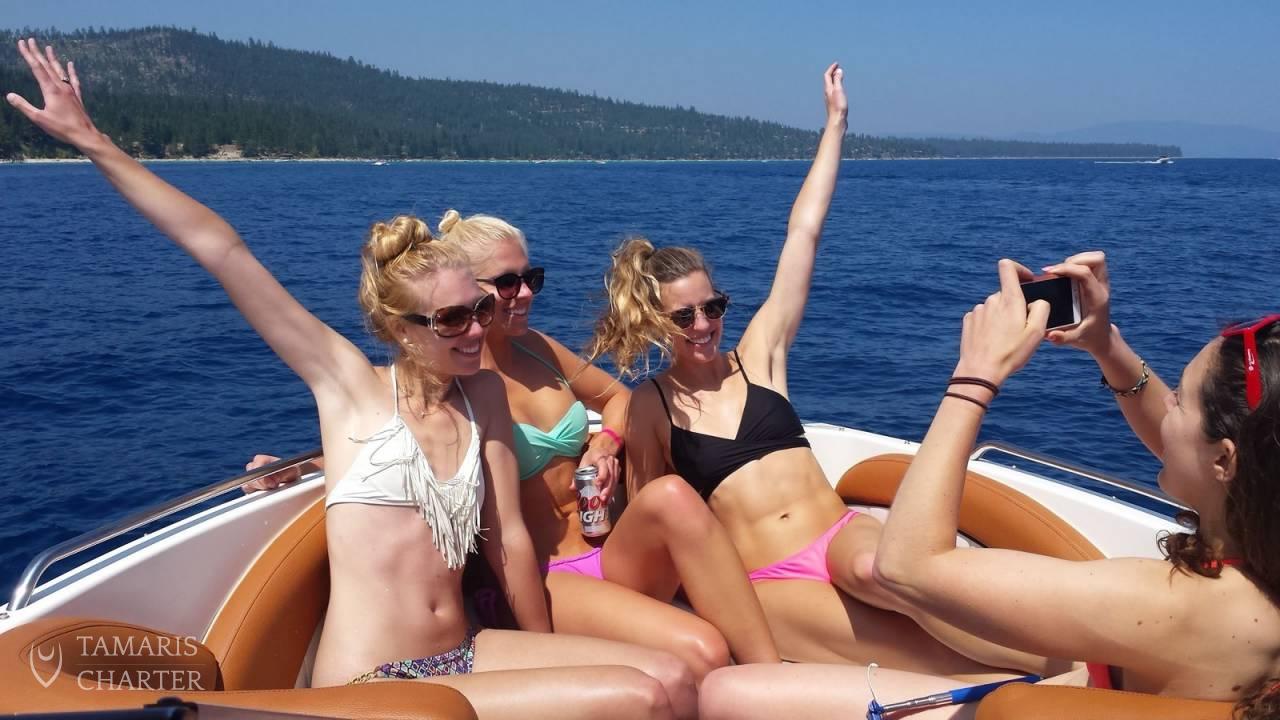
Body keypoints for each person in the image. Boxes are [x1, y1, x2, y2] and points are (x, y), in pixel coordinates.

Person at [6, 39, 696, 720]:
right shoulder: (348, 386)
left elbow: (509, 538)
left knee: (670, 678)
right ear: (401, 328)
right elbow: (222, 248)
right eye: (452, 319)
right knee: (638, 699)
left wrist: (548, 654)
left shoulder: (482, 396)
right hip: (372, 675)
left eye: (481, 310)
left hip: (464, 650)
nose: (476, 330)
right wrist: (92, 141)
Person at [586, 62, 1046, 677]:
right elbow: (654, 521)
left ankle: (1081, 660)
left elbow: (802, 235)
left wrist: (835, 125)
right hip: (766, 575)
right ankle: (1055, 681)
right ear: (655, 322)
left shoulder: (759, 356)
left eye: (713, 307)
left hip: (840, 533)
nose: (702, 325)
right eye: (684, 316)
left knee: (886, 574)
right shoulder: (652, 404)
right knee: (926, 658)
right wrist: (606, 452)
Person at [697, 255, 1280, 719]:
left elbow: (908, 565)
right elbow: (1193, 448)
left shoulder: (1166, 602)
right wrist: (1106, 345)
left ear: (1225, 461)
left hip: (1058, 700)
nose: (1165, 406)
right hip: (1100, 682)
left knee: (729, 695)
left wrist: (975, 376)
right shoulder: (1257, 552)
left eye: (1179, 400)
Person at [249, 211, 781, 678]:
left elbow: (619, 398)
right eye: (506, 284)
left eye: (530, 278)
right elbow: (409, 445)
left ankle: (771, 680)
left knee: (671, 497)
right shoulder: (461, 384)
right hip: (546, 577)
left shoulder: (537, 350)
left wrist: (605, 444)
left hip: (604, 545)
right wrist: (308, 468)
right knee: (703, 650)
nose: (524, 294)